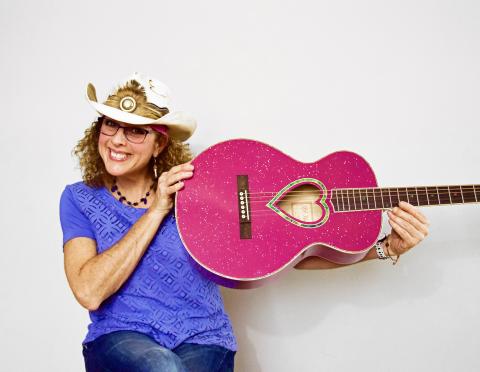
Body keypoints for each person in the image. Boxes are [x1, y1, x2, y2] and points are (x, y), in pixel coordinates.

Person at [60, 73, 429, 372]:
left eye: (135, 130)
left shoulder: (201, 188)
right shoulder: (78, 198)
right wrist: (157, 209)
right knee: (162, 367)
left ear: (159, 144)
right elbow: (89, 291)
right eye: (110, 125)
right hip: (121, 337)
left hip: (204, 337)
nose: (117, 140)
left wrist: (386, 248)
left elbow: (287, 253)